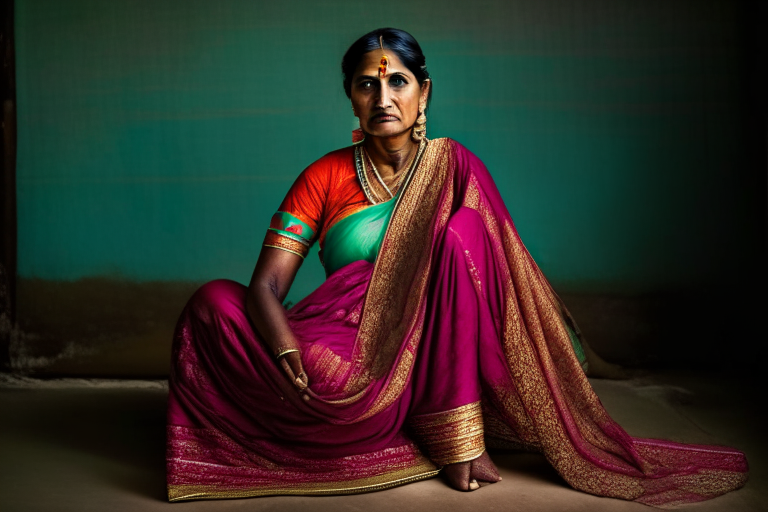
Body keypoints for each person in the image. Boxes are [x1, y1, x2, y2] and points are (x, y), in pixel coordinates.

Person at [166, 28, 748, 505]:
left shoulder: (454, 167)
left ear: (424, 91)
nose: (383, 98)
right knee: (213, 301)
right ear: (350, 95)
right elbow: (266, 285)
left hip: (433, 347)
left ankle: (454, 431)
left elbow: (499, 275)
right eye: (367, 85)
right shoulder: (325, 175)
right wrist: (285, 348)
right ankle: (364, 410)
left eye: (397, 82)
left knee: (465, 230)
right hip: (345, 343)